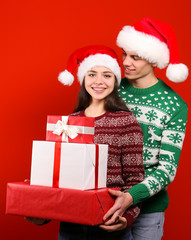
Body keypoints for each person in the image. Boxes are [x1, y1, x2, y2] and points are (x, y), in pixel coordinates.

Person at [26, 45, 145, 240]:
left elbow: (135, 180)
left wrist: (125, 218)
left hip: (109, 224)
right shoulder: (66, 124)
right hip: (71, 227)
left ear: (115, 80)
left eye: (107, 75)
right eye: (92, 75)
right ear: (83, 79)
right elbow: (56, 178)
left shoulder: (126, 121)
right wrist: (40, 212)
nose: (99, 81)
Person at [101, 18, 189, 239]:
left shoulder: (174, 105)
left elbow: (167, 168)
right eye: (125, 54)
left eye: (135, 57)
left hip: (148, 211)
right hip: (105, 203)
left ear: (153, 60)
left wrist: (131, 197)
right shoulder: (111, 90)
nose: (126, 62)